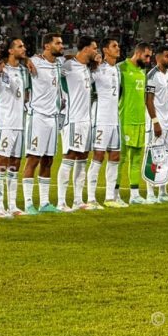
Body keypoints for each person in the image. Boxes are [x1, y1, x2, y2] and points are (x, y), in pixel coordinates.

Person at [23, 33, 65, 214]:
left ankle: (45, 202)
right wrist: (25, 59)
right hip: (37, 116)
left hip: (53, 118)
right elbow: (13, 61)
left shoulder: (59, 64)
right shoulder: (34, 62)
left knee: (48, 160)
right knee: (33, 159)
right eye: (58, 43)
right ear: (47, 46)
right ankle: (28, 203)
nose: (62, 46)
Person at [57, 36, 99, 211]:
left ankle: (78, 200)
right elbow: (52, 69)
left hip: (86, 121)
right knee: (69, 157)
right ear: (85, 49)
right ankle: (60, 202)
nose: (97, 51)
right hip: (72, 119)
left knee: (82, 158)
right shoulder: (67, 66)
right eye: (94, 48)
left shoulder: (88, 69)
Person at [0, 37, 30, 218]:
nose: (24, 48)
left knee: (15, 164)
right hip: (4, 123)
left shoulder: (23, 70)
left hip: (19, 123)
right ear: (10, 50)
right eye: (20, 46)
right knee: (2, 163)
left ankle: (12, 205)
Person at [87, 38, 126, 208]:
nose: (118, 48)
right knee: (98, 156)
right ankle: (90, 198)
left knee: (115, 156)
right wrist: (92, 60)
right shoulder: (96, 69)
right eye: (114, 46)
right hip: (100, 118)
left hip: (114, 119)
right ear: (105, 50)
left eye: (118, 45)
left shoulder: (117, 70)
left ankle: (110, 197)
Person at [117, 42, 153, 204]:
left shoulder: (142, 70)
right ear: (137, 53)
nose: (148, 59)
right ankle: (114, 193)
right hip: (124, 120)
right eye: (146, 56)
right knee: (120, 158)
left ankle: (134, 195)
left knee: (137, 159)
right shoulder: (121, 68)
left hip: (140, 121)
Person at [145, 45, 168, 203]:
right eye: (167, 56)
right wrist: (155, 122)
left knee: (165, 157)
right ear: (158, 58)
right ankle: (150, 193)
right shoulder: (152, 75)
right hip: (156, 123)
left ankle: (163, 192)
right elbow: (148, 100)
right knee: (153, 156)